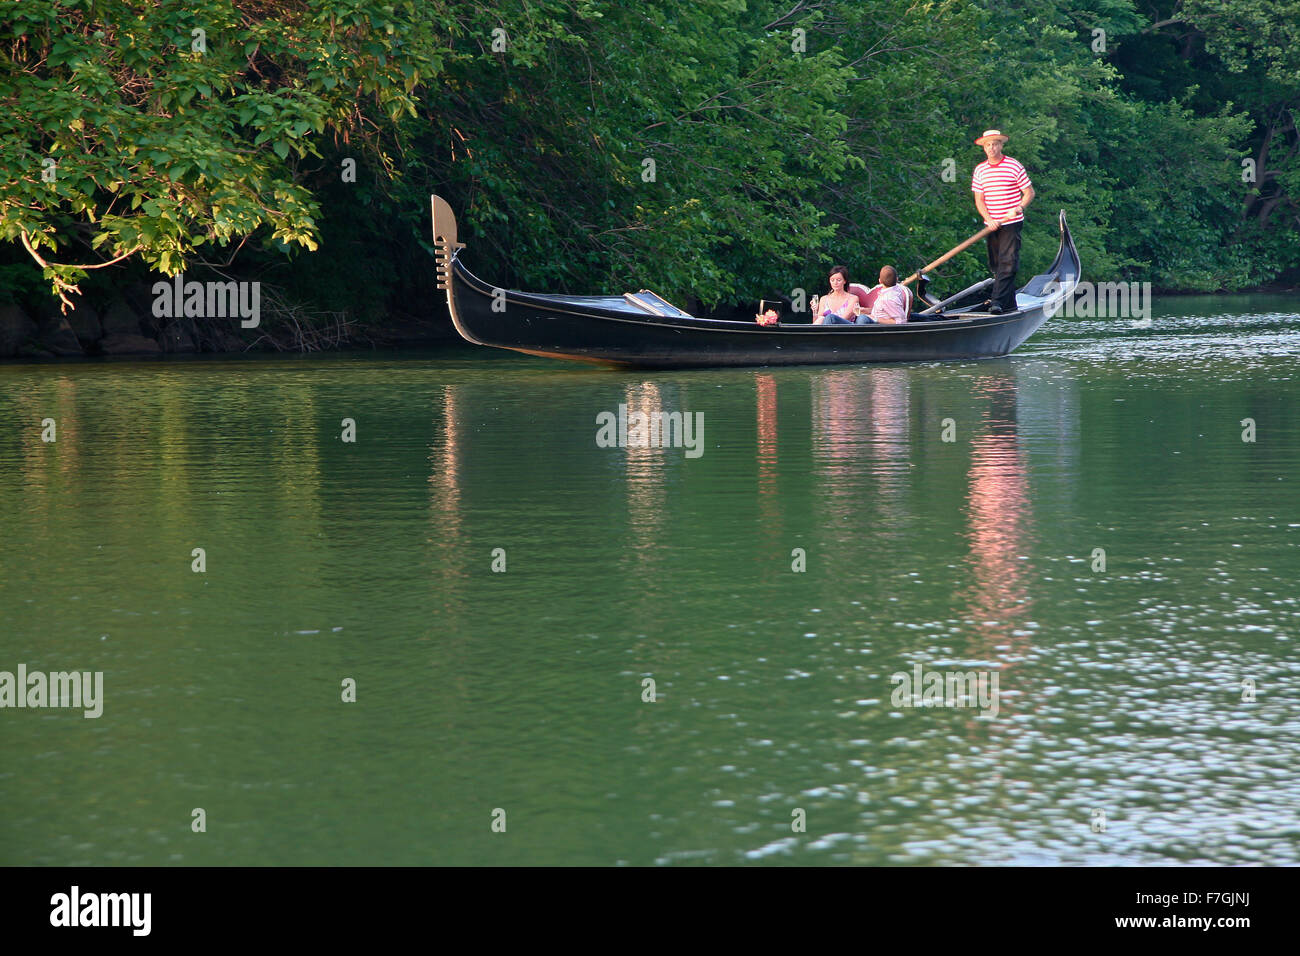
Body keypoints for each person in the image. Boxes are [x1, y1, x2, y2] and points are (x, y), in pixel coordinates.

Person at [971, 129, 1034, 314]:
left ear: (1001, 145)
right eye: (988, 145)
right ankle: (1010, 304)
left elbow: (1029, 193)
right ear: (984, 148)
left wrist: (1019, 207)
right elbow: (979, 200)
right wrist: (988, 219)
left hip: (1011, 222)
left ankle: (997, 303)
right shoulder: (980, 170)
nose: (991, 148)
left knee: (1008, 262)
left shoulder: (1014, 166)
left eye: (995, 144)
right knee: (997, 266)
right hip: (991, 225)